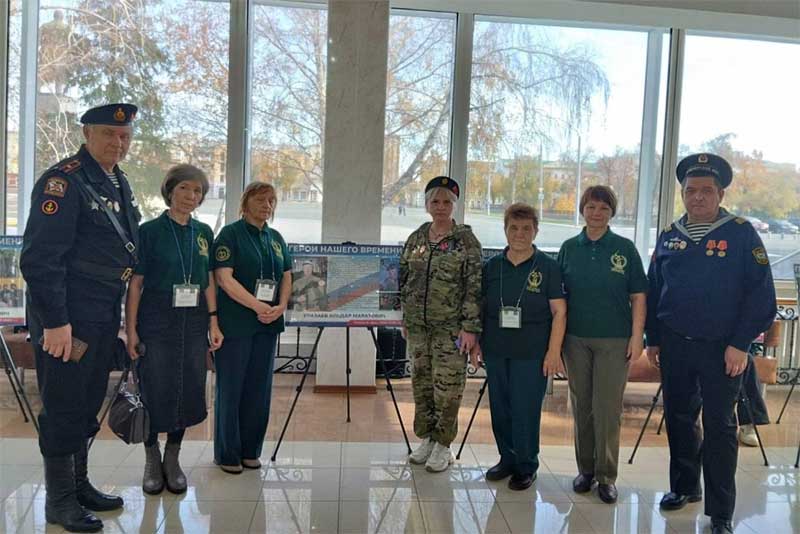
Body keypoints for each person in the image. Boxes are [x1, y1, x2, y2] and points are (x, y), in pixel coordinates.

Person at [20, 103, 140, 533]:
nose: (118, 143)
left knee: (87, 401)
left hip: (100, 313)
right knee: (63, 406)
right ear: (87, 133)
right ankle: (60, 501)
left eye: (125, 136)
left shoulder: (116, 181)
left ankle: (80, 484)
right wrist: (55, 322)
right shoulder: (63, 181)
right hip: (66, 316)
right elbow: (39, 258)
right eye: (109, 134)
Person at [645, 153, 777, 534]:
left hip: (724, 350)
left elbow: (761, 296)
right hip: (675, 346)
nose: (697, 197)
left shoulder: (740, 233)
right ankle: (685, 487)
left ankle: (721, 512)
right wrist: (654, 339)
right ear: (682, 194)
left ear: (720, 193)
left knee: (720, 427)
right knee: (680, 418)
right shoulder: (670, 234)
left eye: (706, 191)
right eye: (691, 191)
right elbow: (655, 291)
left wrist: (740, 344)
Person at [124, 164, 224, 495]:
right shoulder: (148, 231)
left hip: (193, 320)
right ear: (170, 190)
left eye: (197, 191)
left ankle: (172, 458)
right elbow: (136, 284)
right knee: (155, 387)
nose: (191, 196)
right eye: (184, 188)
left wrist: (213, 319)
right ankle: (151, 459)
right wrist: (132, 330)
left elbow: (209, 280)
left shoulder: (204, 233)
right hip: (156, 318)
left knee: (186, 388)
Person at [557, 185, 648, 503]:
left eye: (603, 208)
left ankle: (607, 476)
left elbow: (638, 296)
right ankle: (586, 470)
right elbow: (559, 299)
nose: (596, 213)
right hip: (576, 340)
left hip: (614, 340)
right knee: (582, 406)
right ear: (582, 210)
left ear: (612, 213)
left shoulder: (624, 248)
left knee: (607, 409)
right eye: (591, 207)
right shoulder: (569, 247)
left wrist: (638, 337)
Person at [473, 203, 566, 490]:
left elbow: (559, 312)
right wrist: (476, 344)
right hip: (497, 350)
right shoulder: (491, 267)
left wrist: (553, 352)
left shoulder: (548, 267)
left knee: (525, 409)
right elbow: (479, 308)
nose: (520, 234)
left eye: (527, 228)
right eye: (514, 227)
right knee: (500, 408)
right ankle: (507, 459)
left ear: (536, 231)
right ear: (505, 230)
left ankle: (527, 465)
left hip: (532, 352)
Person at [399, 176, 482, 472]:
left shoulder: (466, 241)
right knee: (421, 385)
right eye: (435, 201)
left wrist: (470, 328)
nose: (441, 207)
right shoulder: (417, 238)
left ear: (456, 205)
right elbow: (404, 278)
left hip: (451, 330)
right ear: (426, 204)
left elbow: (474, 287)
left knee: (447, 388)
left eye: (447, 201)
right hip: (419, 328)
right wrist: (407, 318)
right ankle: (427, 439)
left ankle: (444, 444)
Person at [212, 182, 292, 474]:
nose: (266, 206)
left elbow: (286, 275)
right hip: (237, 323)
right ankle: (227, 453)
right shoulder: (230, 234)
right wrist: (258, 307)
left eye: (271, 201)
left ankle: (250, 450)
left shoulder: (275, 238)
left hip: (268, 323)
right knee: (231, 388)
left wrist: (281, 306)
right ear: (245, 203)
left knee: (259, 390)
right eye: (260, 200)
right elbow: (224, 278)